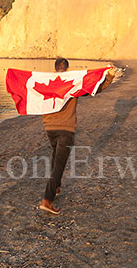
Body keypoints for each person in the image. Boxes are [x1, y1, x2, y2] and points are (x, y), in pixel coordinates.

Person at [39, 57, 114, 215]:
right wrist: (108, 77)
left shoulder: (45, 82)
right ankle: (47, 200)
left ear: (55, 67)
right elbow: (94, 88)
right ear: (67, 68)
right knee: (59, 165)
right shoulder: (72, 82)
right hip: (66, 129)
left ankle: (57, 186)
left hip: (49, 129)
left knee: (55, 156)